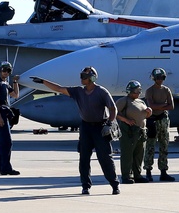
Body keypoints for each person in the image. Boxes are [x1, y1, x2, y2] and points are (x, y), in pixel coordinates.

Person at [32, 66, 120, 195]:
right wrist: (43, 82)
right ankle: (85, 186)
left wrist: (109, 124)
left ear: (92, 78)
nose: (81, 79)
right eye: (81, 76)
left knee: (105, 158)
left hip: (100, 127)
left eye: (84, 77)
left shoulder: (101, 92)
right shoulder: (78, 91)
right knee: (84, 158)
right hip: (85, 127)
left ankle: (114, 185)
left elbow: (113, 109)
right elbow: (60, 89)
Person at [115, 80, 151, 185]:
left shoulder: (141, 102)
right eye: (136, 91)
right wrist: (126, 120)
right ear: (129, 91)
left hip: (141, 131)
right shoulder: (124, 101)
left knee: (139, 154)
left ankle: (137, 175)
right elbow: (114, 113)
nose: (138, 93)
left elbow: (145, 116)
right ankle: (126, 176)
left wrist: (149, 112)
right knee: (127, 154)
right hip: (129, 131)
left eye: (139, 90)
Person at [143, 67, 175, 182]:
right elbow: (151, 106)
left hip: (163, 119)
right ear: (154, 78)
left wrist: (159, 106)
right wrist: (163, 105)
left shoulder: (166, 90)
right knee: (150, 146)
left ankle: (163, 171)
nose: (160, 80)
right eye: (158, 78)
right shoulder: (150, 91)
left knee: (164, 145)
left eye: (162, 78)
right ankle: (148, 171)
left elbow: (171, 106)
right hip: (152, 120)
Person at [0, 61, 20, 176]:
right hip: (0, 114)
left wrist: (15, 82)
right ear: (0, 70)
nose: (6, 72)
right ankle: (5, 168)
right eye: (4, 70)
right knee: (7, 142)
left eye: (8, 70)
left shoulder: (5, 83)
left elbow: (16, 95)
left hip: (3, 113)